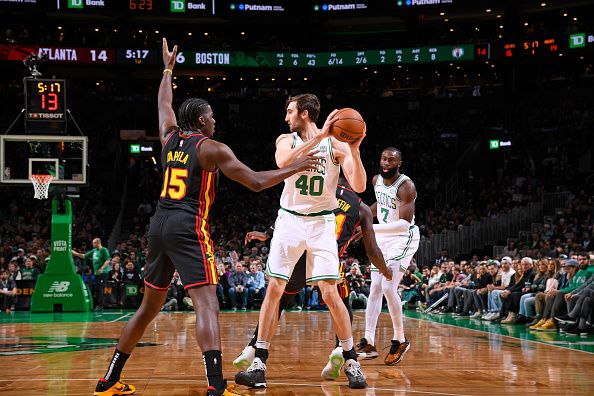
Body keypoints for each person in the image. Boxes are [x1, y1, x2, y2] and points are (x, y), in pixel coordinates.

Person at [93, 38, 321, 396]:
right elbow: (258, 182)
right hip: (187, 226)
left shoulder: (168, 137)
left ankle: (107, 380)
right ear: (201, 120)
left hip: (158, 224)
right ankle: (217, 386)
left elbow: (163, 103)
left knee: (147, 308)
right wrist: (295, 166)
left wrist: (168, 68)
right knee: (207, 304)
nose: (216, 119)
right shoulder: (211, 148)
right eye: (212, 115)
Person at [236, 94, 371, 390]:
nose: (286, 116)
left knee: (329, 292)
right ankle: (259, 360)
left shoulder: (337, 146)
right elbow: (283, 161)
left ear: (305, 113)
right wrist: (319, 137)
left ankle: (351, 359)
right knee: (274, 287)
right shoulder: (286, 139)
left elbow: (359, 185)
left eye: (290, 111)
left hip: (322, 222)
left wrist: (355, 149)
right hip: (290, 220)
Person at [233, 178, 391, 383]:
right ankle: (345, 355)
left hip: (300, 257)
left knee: (277, 301)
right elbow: (372, 251)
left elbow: (293, 211)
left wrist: (266, 233)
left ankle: (255, 350)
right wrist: (386, 271)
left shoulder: (319, 189)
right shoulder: (361, 207)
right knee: (338, 303)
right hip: (327, 256)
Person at [357, 147, 420, 366]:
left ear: (399, 163)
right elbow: (381, 205)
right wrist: (364, 215)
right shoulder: (376, 180)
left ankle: (400, 340)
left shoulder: (406, 186)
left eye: (391, 160)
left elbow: (403, 224)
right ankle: (369, 341)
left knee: (388, 287)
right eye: (384, 158)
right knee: (374, 288)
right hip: (384, 237)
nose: (386, 163)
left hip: (403, 238)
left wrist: (369, 229)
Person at [72, 238, 111, 311]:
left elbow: (108, 260)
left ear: (98, 243)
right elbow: (84, 256)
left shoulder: (103, 250)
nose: (92, 244)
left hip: (103, 272)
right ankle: (97, 304)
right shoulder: (94, 251)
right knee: (97, 288)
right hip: (96, 273)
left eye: (94, 243)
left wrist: (102, 268)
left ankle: (100, 306)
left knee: (100, 288)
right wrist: (75, 253)